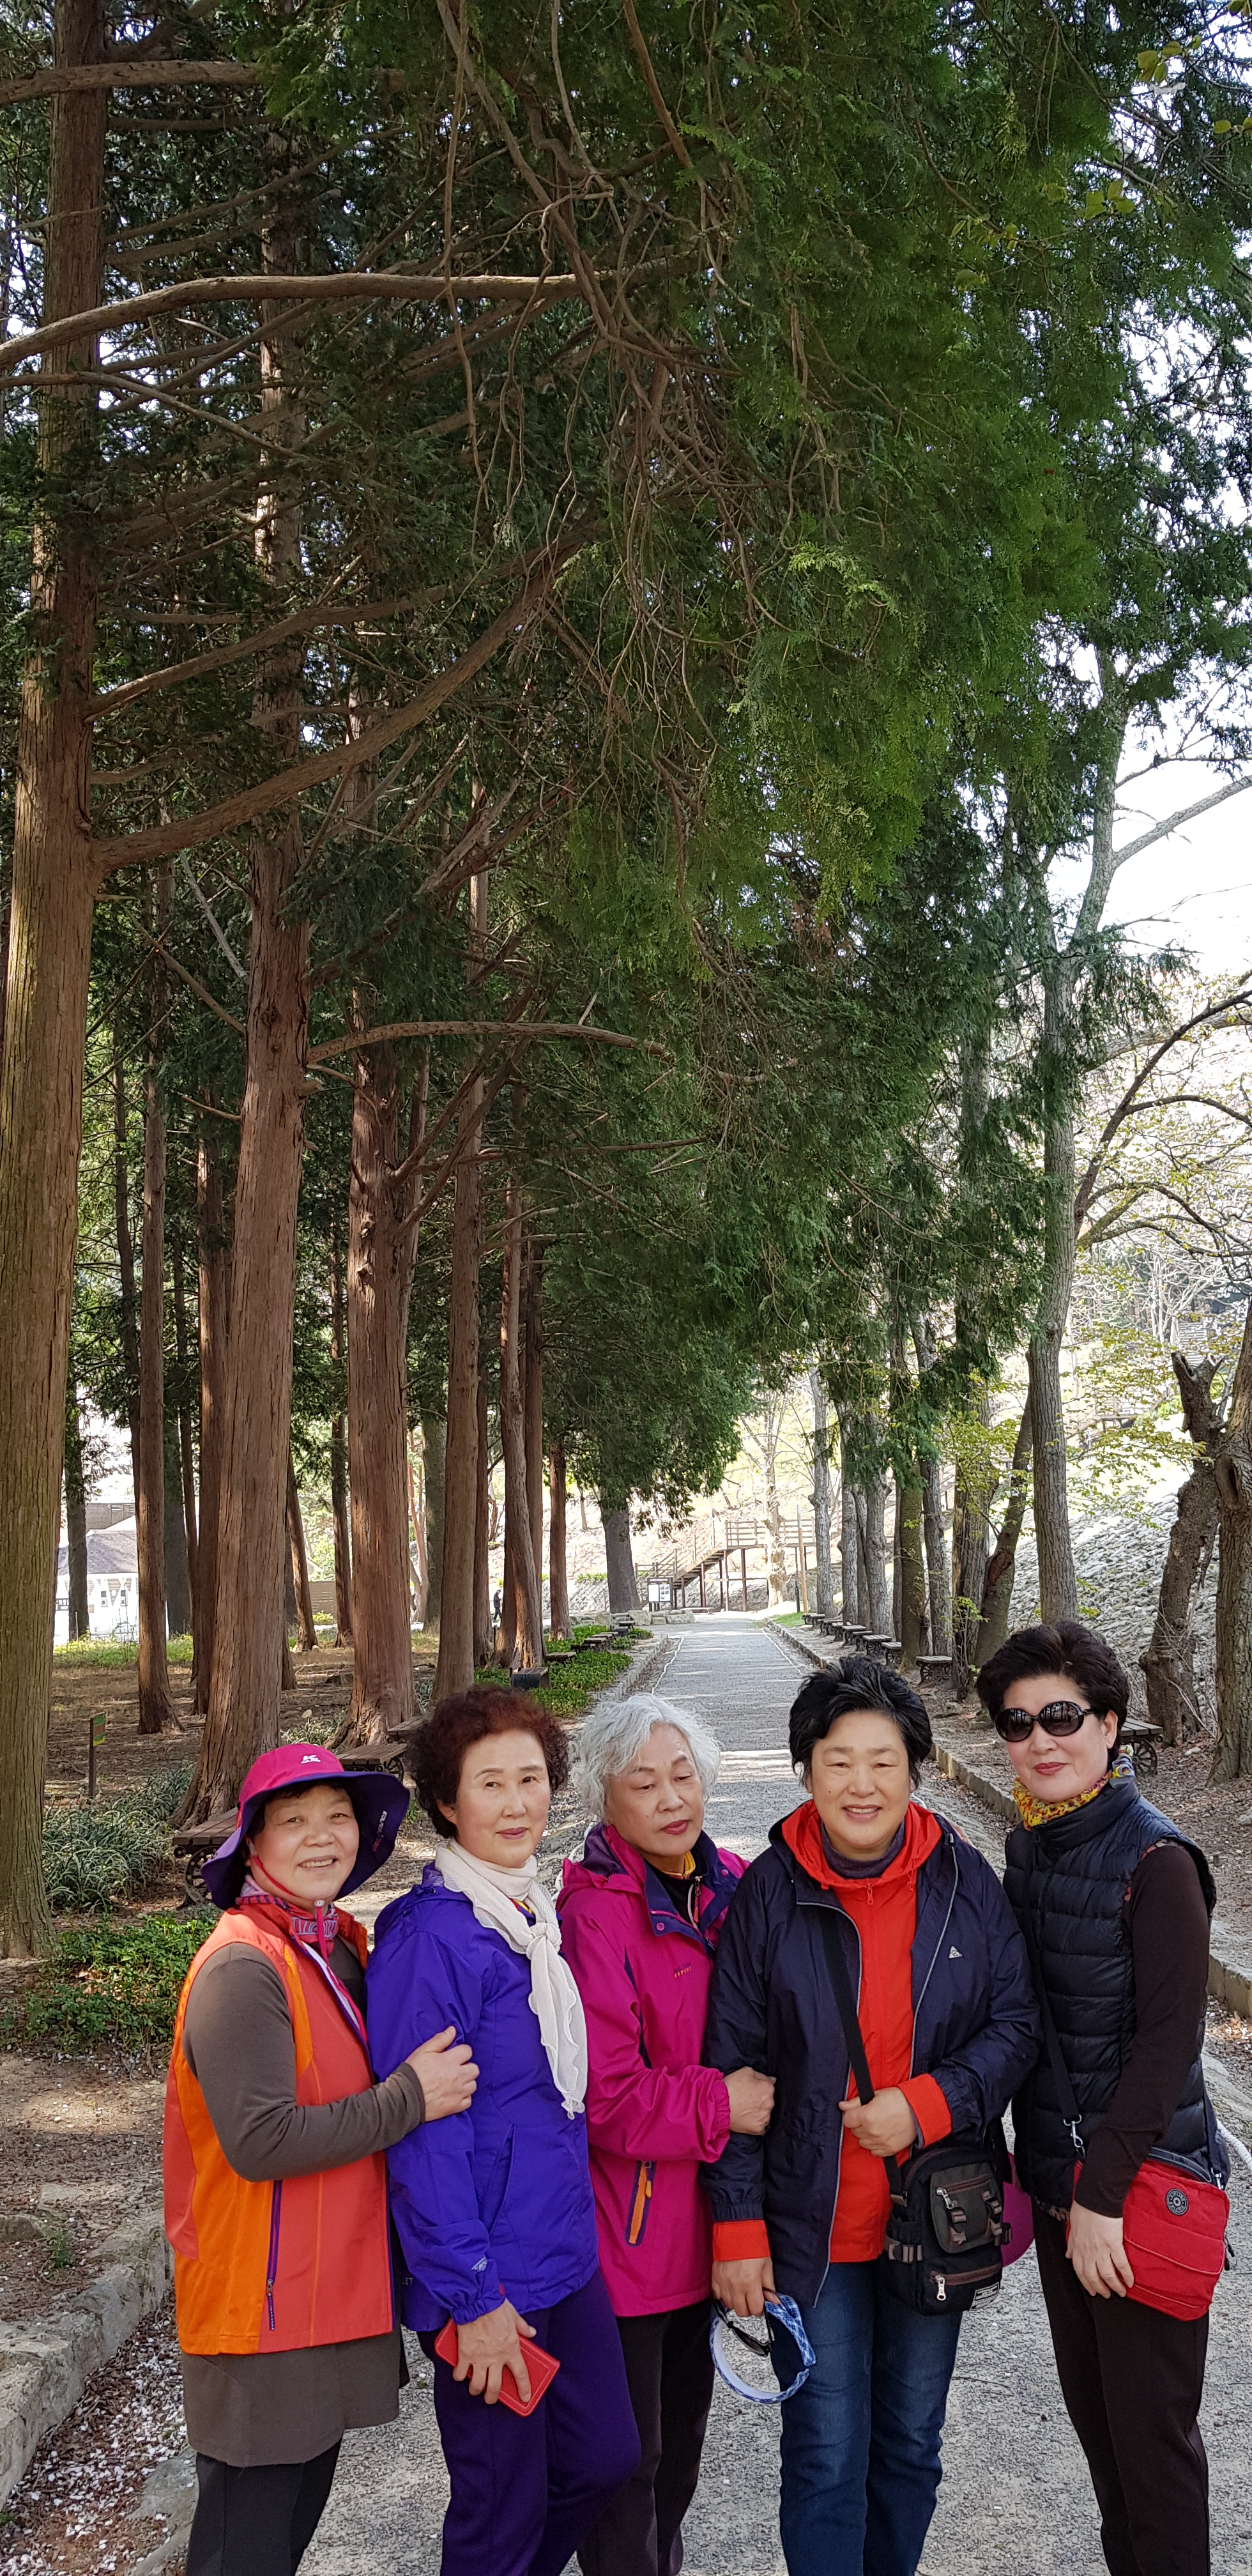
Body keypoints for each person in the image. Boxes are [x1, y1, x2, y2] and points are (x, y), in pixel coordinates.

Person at [703, 1657, 1039, 2576]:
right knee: (823, 2455)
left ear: (915, 1771)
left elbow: (1017, 2024)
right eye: (839, 1761)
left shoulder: (964, 1882)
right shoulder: (768, 1893)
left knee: (911, 2443)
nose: (862, 1784)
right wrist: (736, 2223)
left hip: (931, 2218)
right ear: (806, 1771)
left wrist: (928, 2105)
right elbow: (729, 2066)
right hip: (809, 2227)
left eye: (884, 1761)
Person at [164, 1743, 479, 2576]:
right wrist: (411, 2097)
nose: (321, 1836)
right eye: (294, 1820)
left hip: (318, 2295)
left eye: (337, 1817)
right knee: (243, 2550)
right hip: (261, 2313)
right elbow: (261, 2141)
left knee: (283, 2537)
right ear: (253, 1845)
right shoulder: (244, 1965)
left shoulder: (333, 1945)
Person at [366, 1687, 641, 2576]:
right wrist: (473, 2299)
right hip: (489, 2276)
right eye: (491, 1783)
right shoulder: (432, 1939)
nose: (518, 1802)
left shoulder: (527, 1913)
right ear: (448, 1802)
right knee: (501, 2511)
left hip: (563, 2253)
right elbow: (423, 2142)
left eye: (532, 1778)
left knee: (604, 2458)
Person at [979, 1620, 1226, 2576]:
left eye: (1062, 1717)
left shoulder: (1159, 1863)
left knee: (1154, 2453)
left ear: (1110, 1725)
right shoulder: (1032, 1847)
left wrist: (1101, 2197)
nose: (1040, 1740)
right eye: (1017, 1723)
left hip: (1132, 2194)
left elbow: (1168, 2048)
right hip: (1061, 2190)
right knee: (1106, 2447)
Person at [557, 1694, 775, 2576]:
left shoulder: (730, 1884)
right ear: (605, 1799)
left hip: (710, 2224)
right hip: (632, 2238)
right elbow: (607, 2098)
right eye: (643, 1783)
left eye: (682, 1775)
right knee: (630, 2465)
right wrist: (723, 2103)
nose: (671, 1797)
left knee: (682, 2449)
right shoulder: (594, 1916)